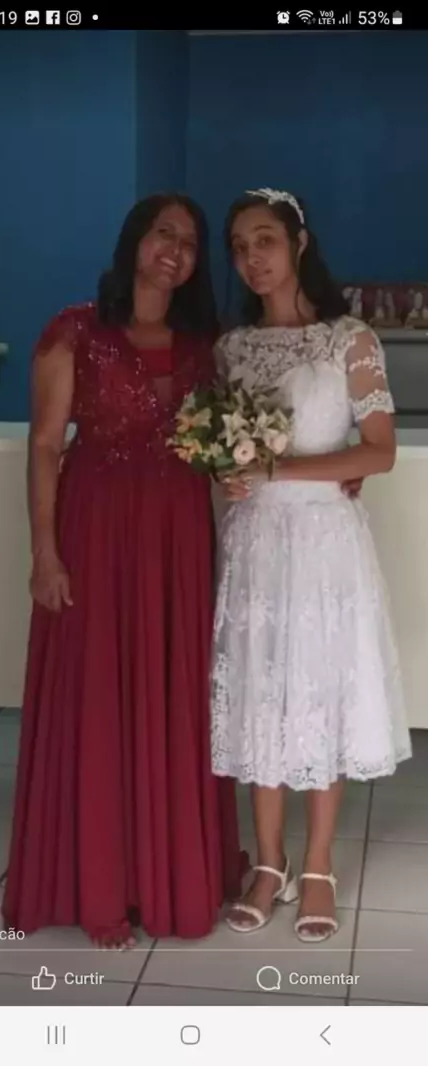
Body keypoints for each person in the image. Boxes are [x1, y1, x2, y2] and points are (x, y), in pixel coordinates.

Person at [1, 193, 246, 950]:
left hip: (178, 539)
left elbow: (223, 447)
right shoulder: (74, 330)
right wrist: (44, 551)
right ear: (134, 241)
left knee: (173, 691)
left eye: (190, 241)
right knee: (99, 695)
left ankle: (170, 876)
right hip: (97, 533)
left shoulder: (204, 345)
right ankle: (100, 880)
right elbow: (46, 445)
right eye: (163, 233)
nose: (176, 249)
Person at [210, 187, 411, 943]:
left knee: (320, 694)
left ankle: (319, 863)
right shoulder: (232, 348)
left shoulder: (349, 339)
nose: (251, 258)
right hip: (256, 544)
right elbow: (219, 454)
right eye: (239, 246)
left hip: (325, 544)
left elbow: (379, 452)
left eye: (264, 239)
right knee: (262, 694)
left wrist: (279, 471)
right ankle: (270, 862)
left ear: (299, 242)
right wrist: (226, 475)